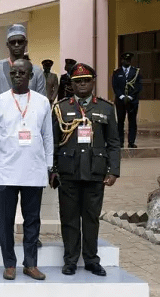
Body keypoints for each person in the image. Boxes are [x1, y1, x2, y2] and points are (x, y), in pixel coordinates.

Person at [52, 63, 120, 276]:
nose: (82, 84)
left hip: (95, 171)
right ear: (71, 85)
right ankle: (70, 260)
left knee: (91, 218)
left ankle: (91, 259)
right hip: (68, 171)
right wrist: (52, 170)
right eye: (77, 81)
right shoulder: (61, 108)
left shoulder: (106, 108)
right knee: (69, 218)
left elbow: (114, 142)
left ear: (93, 82)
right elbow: (53, 142)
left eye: (86, 81)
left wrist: (113, 170)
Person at [0, 58, 53, 281]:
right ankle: (9, 264)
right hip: (6, 169)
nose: (17, 76)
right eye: (13, 73)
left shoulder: (42, 102)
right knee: (5, 221)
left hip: (34, 168)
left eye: (22, 73)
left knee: (32, 220)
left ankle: (31, 264)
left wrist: (49, 164)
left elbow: (47, 136)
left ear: (31, 76)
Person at [0, 23, 46, 247]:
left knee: (31, 189)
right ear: (7, 44)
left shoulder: (37, 71)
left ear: (26, 43)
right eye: (13, 42)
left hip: (29, 138)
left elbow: (41, 107)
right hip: (5, 138)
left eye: (21, 41)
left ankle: (33, 235)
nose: (17, 45)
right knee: (1, 189)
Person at [112, 52, 142, 148]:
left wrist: (130, 97)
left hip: (132, 101)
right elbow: (115, 86)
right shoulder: (117, 72)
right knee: (120, 121)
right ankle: (120, 142)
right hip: (120, 101)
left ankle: (131, 142)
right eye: (125, 60)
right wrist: (122, 96)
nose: (127, 61)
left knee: (132, 121)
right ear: (122, 60)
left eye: (129, 60)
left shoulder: (136, 71)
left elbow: (138, 86)